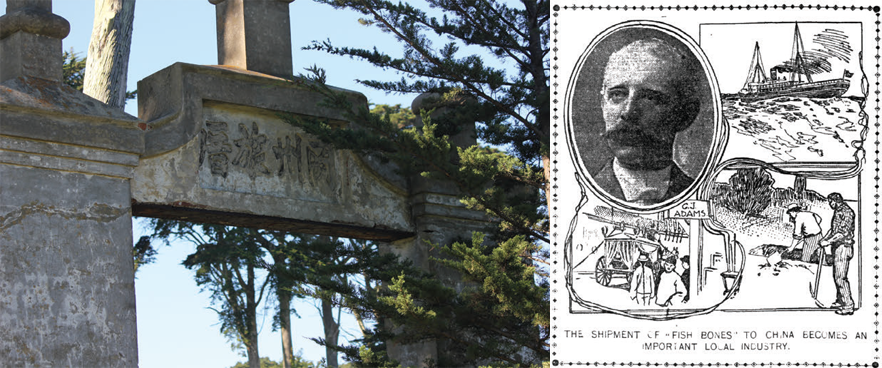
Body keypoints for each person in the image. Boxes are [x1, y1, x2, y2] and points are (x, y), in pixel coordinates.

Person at [590, 38, 702, 205]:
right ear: (603, 104)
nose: (628, 112)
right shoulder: (578, 195)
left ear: (686, 115)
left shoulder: (702, 196)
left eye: (650, 98)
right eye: (617, 95)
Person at [819, 192, 856, 315]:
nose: (830, 204)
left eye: (831, 201)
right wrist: (824, 239)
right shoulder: (838, 211)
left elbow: (842, 233)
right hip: (837, 247)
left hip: (843, 247)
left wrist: (828, 241)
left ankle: (848, 305)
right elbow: (833, 230)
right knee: (837, 275)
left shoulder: (846, 212)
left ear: (836, 200)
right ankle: (840, 301)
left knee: (840, 277)